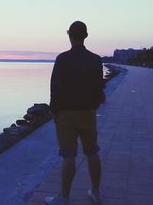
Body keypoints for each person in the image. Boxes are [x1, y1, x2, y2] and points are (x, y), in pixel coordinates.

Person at [45, 21, 104, 205]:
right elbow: (99, 89)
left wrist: (54, 111)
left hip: (66, 114)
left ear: (69, 35)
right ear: (85, 36)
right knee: (92, 152)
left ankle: (64, 198)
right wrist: (94, 105)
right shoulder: (96, 59)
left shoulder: (62, 59)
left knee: (69, 156)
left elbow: (55, 88)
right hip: (88, 113)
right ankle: (95, 192)